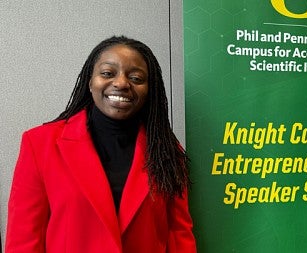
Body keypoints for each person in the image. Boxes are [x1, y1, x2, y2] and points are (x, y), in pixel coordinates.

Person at [6, 36, 196, 253]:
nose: (121, 83)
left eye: (136, 77)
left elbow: (179, 236)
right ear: (90, 81)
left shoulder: (168, 153)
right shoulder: (40, 144)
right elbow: (24, 239)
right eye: (107, 73)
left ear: (149, 89)